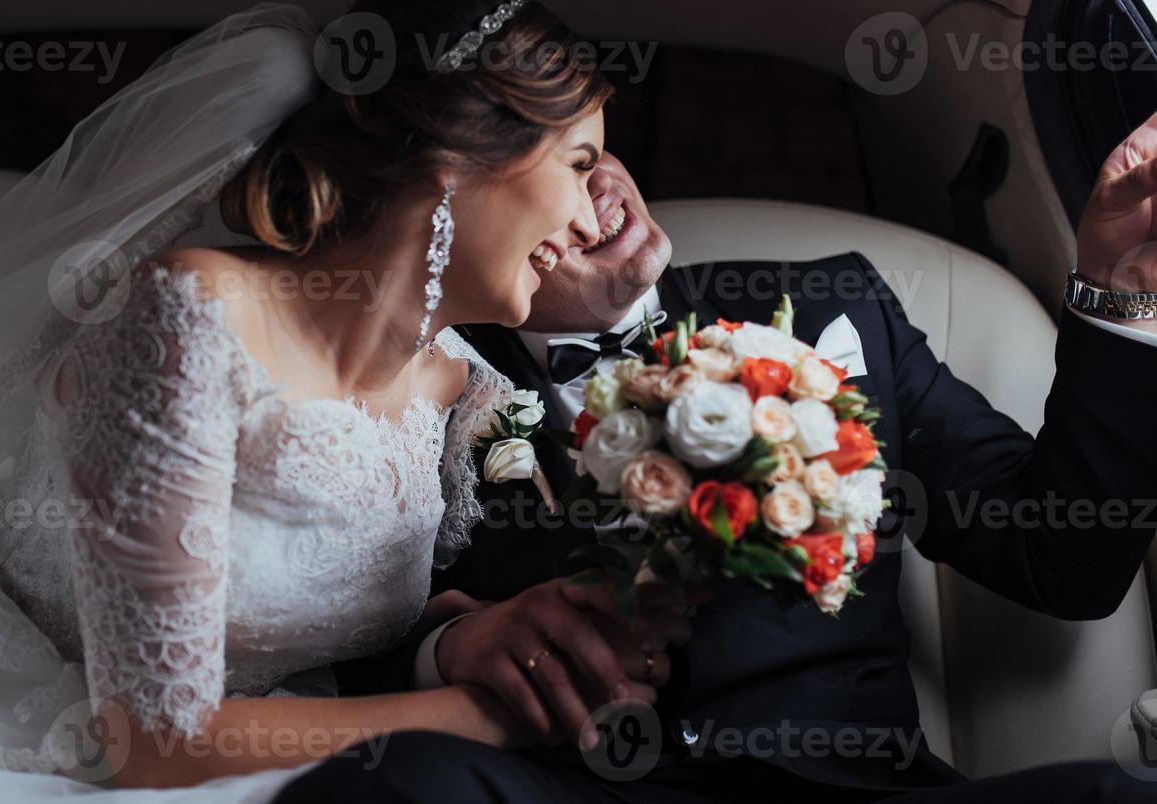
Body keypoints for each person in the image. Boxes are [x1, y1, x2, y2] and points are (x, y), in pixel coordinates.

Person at [0, 0, 661, 800]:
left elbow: (472, 596)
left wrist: (458, 635)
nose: (593, 210)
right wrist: (483, 714)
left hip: (289, 761)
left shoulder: (462, 392)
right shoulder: (191, 314)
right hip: (32, 726)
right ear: (458, 156)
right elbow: (153, 748)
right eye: (579, 161)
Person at [307, 140, 1157, 802]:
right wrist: (447, 651)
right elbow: (340, 652)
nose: (597, 189)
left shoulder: (836, 311)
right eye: (533, 172)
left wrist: (1122, 289)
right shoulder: (412, 386)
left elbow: (1063, 558)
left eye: (587, 151)